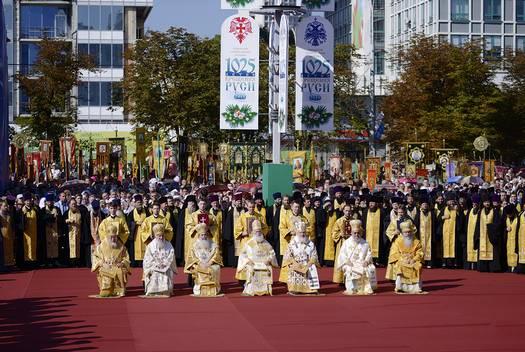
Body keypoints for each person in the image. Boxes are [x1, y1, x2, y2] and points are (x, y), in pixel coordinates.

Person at [236, 220, 278, 296]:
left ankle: (266, 290)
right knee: (250, 267)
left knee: (268, 267)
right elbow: (243, 255)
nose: (258, 233)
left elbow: (272, 253)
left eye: (259, 231)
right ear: (253, 232)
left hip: (264, 264)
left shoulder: (266, 243)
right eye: (256, 231)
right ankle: (250, 289)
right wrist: (247, 260)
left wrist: (269, 259)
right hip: (253, 264)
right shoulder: (250, 243)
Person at [336, 219, 377, 295]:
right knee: (349, 268)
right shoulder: (346, 243)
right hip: (350, 263)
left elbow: (369, 254)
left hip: (362, 263)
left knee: (368, 268)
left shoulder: (365, 243)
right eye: (354, 233)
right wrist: (346, 261)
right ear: (351, 233)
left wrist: (367, 261)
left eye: (358, 233)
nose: (356, 235)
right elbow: (342, 254)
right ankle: (352, 288)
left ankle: (364, 289)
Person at [91, 224, 131, 298]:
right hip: (106, 267)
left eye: (115, 237)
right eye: (111, 237)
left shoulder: (121, 246)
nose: (113, 239)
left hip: (117, 266)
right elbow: (95, 257)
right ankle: (107, 289)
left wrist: (122, 263)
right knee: (106, 275)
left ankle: (119, 290)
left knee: (120, 271)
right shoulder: (101, 247)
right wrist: (102, 263)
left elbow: (126, 258)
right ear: (107, 236)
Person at [281, 221, 320, 295]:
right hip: (296, 264)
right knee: (292, 267)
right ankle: (294, 289)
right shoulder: (292, 243)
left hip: (307, 264)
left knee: (312, 267)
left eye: (303, 232)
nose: (302, 234)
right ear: (297, 232)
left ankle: (310, 289)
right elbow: (287, 256)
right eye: (300, 232)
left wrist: (309, 264)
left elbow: (314, 255)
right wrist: (295, 263)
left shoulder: (310, 244)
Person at [184, 223, 223, 297]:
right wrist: (199, 262)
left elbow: (216, 254)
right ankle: (199, 289)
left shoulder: (212, 243)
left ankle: (214, 289)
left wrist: (211, 262)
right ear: (199, 235)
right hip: (199, 264)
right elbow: (192, 256)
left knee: (216, 268)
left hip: (210, 264)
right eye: (202, 235)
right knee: (197, 268)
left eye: (205, 234)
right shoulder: (194, 245)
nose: (204, 236)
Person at [234, 199, 268, 281]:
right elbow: (237, 230)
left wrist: (261, 233)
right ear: (246, 207)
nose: (251, 209)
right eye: (250, 207)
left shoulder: (260, 216)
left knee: (256, 261)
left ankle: (256, 279)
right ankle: (243, 279)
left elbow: (265, 228)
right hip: (246, 242)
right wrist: (243, 233)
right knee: (245, 261)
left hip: (257, 243)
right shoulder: (242, 216)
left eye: (253, 207)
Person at [388, 221, 424, 294]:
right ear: (402, 232)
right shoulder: (397, 241)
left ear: (411, 232)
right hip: (401, 260)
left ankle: (416, 287)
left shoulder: (417, 241)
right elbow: (394, 253)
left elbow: (420, 252)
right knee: (401, 266)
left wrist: (414, 259)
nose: (407, 234)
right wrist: (403, 259)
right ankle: (400, 287)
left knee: (418, 266)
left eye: (409, 232)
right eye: (405, 232)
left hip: (413, 260)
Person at [143, 223, 177, 296]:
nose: (161, 238)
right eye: (159, 236)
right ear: (155, 235)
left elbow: (171, 255)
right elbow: (147, 259)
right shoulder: (150, 246)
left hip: (166, 266)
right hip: (154, 267)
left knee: (166, 271)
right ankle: (153, 291)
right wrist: (156, 265)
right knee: (155, 272)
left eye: (162, 236)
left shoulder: (168, 244)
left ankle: (165, 291)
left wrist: (165, 264)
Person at [331, 204, 354, 284]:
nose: (348, 212)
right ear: (343, 211)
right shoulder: (339, 221)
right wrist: (340, 234)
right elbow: (333, 233)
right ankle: (340, 279)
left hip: (352, 244)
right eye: (346, 210)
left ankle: (350, 278)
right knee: (341, 260)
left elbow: (360, 231)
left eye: (349, 211)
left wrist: (355, 233)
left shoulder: (354, 221)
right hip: (342, 243)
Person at [0, 200, 15, 267]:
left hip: (10, 235)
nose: (6, 207)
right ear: (0, 206)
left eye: (7, 206)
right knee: (4, 251)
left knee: (10, 250)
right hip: (2, 236)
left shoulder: (9, 215)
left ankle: (10, 264)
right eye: (4, 206)